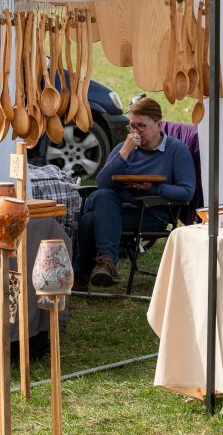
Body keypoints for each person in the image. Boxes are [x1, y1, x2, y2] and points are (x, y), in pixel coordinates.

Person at [73, 96, 195, 290]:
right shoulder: (125, 148)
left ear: (159, 124)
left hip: (150, 213)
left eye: (141, 126)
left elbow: (187, 192)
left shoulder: (176, 150)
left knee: (90, 220)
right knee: (104, 196)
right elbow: (102, 182)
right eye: (132, 126)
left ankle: (81, 277)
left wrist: (153, 188)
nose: (136, 132)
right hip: (117, 208)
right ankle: (106, 263)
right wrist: (124, 152)